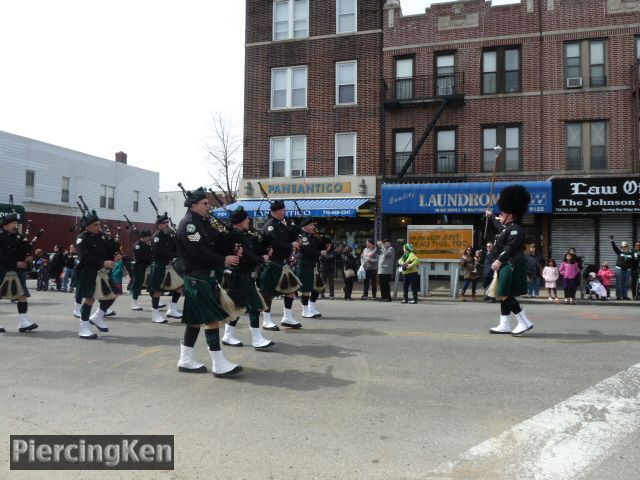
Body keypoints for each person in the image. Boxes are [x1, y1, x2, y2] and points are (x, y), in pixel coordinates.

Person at [175, 187, 242, 377]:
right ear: (194, 205)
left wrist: (233, 235)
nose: (208, 206)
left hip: (204, 277)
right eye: (205, 204)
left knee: (195, 321)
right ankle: (218, 363)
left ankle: (185, 359)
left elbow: (217, 242)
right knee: (211, 320)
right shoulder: (189, 225)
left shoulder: (203, 222)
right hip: (197, 277)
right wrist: (223, 260)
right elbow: (199, 252)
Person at [218, 206, 274, 349]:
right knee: (254, 306)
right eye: (246, 219)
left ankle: (228, 336)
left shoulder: (244, 235)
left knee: (239, 306)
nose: (249, 220)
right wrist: (262, 259)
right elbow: (246, 257)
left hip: (244, 276)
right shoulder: (233, 237)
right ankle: (256, 339)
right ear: (239, 221)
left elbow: (253, 250)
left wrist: (265, 246)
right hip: (239, 276)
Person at [485, 184, 533, 335]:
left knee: (504, 293)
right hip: (506, 264)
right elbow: (498, 225)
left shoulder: (515, 229)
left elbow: (510, 248)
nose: (501, 215)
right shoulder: (506, 228)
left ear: (511, 215)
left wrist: (499, 260)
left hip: (511, 264)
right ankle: (504, 324)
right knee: (502, 294)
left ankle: (524, 321)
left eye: (503, 213)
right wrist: (491, 216)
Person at [73, 210, 119, 339]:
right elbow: (84, 257)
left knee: (113, 294)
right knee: (90, 299)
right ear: (87, 226)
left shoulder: (102, 237)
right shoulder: (82, 238)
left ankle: (98, 316)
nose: (99, 227)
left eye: (99, 225)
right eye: (96, 225)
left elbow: (110, 250)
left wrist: (115, 256)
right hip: (88, 271)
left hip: (102, 272)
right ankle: (83, 327)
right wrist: (104, 262)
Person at [259, 200, 302, 330]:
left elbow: (287, 236)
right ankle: (266, 320)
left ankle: (287, 317)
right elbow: (275, 243)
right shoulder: (270, 225)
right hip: (273, 263)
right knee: (268, 292)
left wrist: (297, 227)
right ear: (277, 211)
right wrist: (291, 245)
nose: (285, 212)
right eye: (283, 210)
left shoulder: (280, 224)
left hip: (283, 263)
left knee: (291, 288)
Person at [0, 213, 38, 333]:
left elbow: (22, 250)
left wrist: (27, 257)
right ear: (5, 225)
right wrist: (15, 264)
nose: (15, 225)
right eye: (13, 223)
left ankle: (23, 322)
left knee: (22, 295)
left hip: (17, 271)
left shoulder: (17, 236)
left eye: (16, 223)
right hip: (2, 269)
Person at [148, 213, 183, 322]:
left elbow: (176, 247)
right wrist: (174, 255)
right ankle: (155, 315)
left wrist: (176, 235)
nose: (167, 224)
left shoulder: (168, 236)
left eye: (167, 222)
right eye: (164, 223)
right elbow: (160, 252)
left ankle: (172, 309)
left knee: (179, 285)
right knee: (157, 290)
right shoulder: (156, 237)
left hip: (168, 265)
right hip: (159, 265)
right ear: (159, 225)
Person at [296, 217, 326, 319]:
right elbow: (308, 250)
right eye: (311, 225)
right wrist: (320, 253)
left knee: (317, 286)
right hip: (305, 264)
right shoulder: (303, 237)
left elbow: (317, 245)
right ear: (305, 226)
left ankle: (311, 307)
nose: (313, 227)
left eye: (313, 225)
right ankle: (305, 311)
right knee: (306, 289)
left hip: (312, 264)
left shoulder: (311, 236)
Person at [130, 230, 153, 311]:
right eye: (147, 237)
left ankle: (155, 300)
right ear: (142, 237)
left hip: (146, 266)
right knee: (138, 284)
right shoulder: (138, 245)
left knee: (150, 283)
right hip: (139, 267)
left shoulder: (146, 245)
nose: (149, 238)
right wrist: (150, 260)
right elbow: (140, 257)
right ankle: (134, 303)